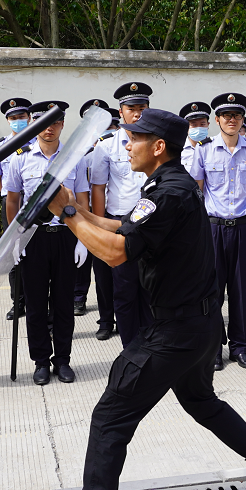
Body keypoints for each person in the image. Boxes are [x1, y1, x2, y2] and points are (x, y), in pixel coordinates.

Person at [40, 109, 246, 490]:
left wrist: (65, 214)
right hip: (198, 325)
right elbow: (128, 229)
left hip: (175, 329)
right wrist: (78, 209)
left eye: (134, 138)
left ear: (158, 147)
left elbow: (118, 254)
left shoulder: (168, 192)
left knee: (111, 416)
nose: (126, 144)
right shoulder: (169, 186)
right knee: (202, 403)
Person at [5, 100, 90, 384]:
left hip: (66, 235)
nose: (49, 129)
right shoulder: (20, 158)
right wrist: (14, 237)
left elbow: (81, 200)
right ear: (33, 124)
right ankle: (40, 361)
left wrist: (82, 238)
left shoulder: (74, 156)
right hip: (33, 238)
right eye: (43, 123)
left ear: (62, 124)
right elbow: (13, 201)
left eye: (55, 123)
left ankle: (62, 360)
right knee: (36, 304)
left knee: (64, 303)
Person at [190, 92, 246, 370]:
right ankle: (212, 350)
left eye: (237, 115)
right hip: (213, 227)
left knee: (239, 291)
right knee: (212, 293)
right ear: (217, 120)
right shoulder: (203, 149)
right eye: (226, 115)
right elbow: (197, 192)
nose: (232, 120)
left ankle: (240, 347)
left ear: (243, 119)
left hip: (243, 227)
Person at [90, 83, 155, 346]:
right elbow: (98, 189)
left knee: (151, 289)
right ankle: (130, 347)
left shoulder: (157, 142)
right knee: (125, 291)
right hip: (119, 226)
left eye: (142, 108)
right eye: (132, 109)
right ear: (121, 112)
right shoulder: (106, 146)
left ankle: (152, 345)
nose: (137, 113)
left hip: (150, 227)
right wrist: (98, 230)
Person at [0, 97, 33, 321]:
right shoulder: (0, 146)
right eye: (14, 118)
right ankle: (18, 303)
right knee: (14, 256)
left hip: (36, 205)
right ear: (8, 121)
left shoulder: (40, 142)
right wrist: (10, 195)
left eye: (22, 117)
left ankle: (40, 300)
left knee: (37, 253)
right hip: (12, 206)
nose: (18, 121)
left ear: (29, 118)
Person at [73, 99, 113, 322]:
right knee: (85, 261)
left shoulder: (113, 144)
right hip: (86, 211)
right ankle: (79, 296)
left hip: (112, 212)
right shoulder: (80, 151)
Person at [180, 100, 211, 173]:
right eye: (194, 125)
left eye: (202, 124)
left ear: (208, 125)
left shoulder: (215, 148)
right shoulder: (178, 149)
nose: (198, 128)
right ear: (186, 127)